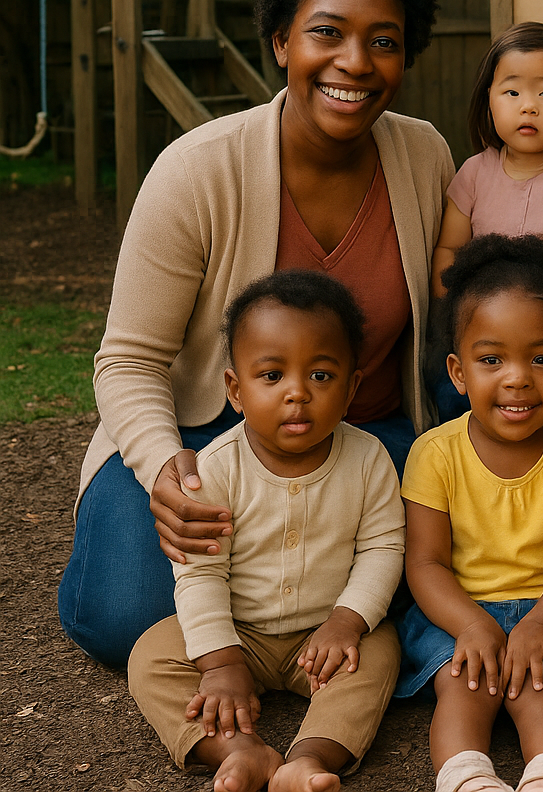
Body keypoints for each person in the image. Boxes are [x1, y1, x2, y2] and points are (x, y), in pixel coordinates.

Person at [60, 0, 454, 669]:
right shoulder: (197, 170)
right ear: (281, 42)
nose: (355, 62)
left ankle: (293, 606)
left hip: (367, 440)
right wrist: (163, 466)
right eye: (327, 33)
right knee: (126, 617)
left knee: (461, 577)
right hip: (206, 438)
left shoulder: (425, 156)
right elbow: (128, 360)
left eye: (383, 41)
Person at [127, 270, 405, 792]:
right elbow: (200, 571)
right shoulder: (214, 470)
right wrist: (220, 662)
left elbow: (383, 547)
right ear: (236, 390)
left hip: (323, 636)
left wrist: (347, 621)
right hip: (240, 632)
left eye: (320, 375)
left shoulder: (370, 460)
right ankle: (238, 750)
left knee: (379, 651)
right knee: (150, 657)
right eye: (272, 375)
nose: (297, 393)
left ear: (352, 388)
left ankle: (310, 756)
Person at [395, 235, 543, 792]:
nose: (517, 378)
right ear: (458, 372)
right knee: (464, 685)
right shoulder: (435, 453)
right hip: (457, 610)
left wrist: (538, 624)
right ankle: (467, 779)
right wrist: (472, 625)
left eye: (541, 359)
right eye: (491, 360)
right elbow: (425, 563)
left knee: (541, 686)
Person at [430, 21, 543, 420]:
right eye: (512, 92)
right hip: (483, 323)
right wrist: (452, 312)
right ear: (489, 104)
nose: (528, 106)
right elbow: (448, 248)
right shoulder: (474, 173)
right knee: (448, 391)